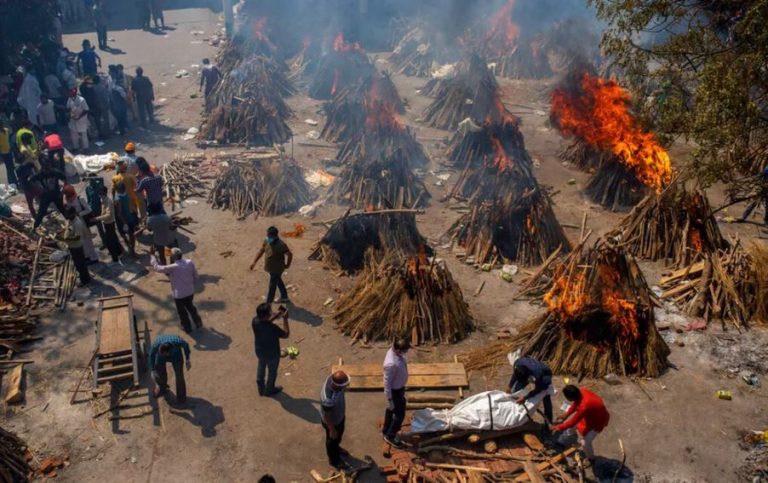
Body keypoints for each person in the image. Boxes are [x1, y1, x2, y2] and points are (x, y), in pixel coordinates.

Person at [550, 385, 610, 460]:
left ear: (570, 398)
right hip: (589, 415)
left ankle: (591, 458)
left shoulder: (584, 406)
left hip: (598, 421)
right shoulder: (581, 392)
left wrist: (558, 427)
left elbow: (572, 422)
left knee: (585, 443)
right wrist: (566, 415)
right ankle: (566, 439)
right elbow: (575, 404)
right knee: (571, 427)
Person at [150, 248, 203, 332]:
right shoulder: (189, 262)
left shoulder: (172, 267)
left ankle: (187, 327)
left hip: (179, 295)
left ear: (173, 257)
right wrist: (190, 284)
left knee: (182, 312)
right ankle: (198, 322)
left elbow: (157, 268)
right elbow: (196, 276)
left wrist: (152, 256)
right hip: (190, 292)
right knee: (191, 307)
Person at [251, 303, 289, 396]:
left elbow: (265, 322)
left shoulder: (255, 321)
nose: (272, 313)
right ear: (266, 316)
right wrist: (285, 320)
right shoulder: (273, 328)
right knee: (272, 372)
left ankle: (260, 386)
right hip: (272, 355)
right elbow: (286, 334)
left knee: (261, 365)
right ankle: (270, 389)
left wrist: (276, 316)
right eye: (270, 313)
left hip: (260, 351)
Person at [249, 226, 293, 304]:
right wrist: (254, 262)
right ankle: (284, 297)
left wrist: (288, 265)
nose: (268, 238)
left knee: (272, 286)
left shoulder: (281, 245)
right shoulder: (266, 240)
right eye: (268, 236)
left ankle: (268, 305)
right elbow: (261, 251)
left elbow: (290, 254)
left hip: (277, 269)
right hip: (270, 268)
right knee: (278, 280)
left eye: (270, 236)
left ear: (276, 236)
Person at [320, 370, 351, 470]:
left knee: (338, 437)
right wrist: (332, 429)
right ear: (338, 386)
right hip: (332, 422)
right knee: (332, 440)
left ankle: (337, 448)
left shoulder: (332, 379)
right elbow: (327, 416)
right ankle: (334, 460)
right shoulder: (328, 399)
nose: (347, 386)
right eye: (345, 385)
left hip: (339, 416)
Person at [508, 356, 554, 423]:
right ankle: (518, 413)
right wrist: (509, 386)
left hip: (545, 375)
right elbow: (515, 374)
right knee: (517, 390)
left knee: (546, 397)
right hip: (530, 372)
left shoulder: (538, 375)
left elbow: (538, 389)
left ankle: (548, 422)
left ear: (528, 375)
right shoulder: (518, 364)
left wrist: (525, 397)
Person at [382, 339, 410, 448]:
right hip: (395, 392)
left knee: (392, 409)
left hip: (399, 388)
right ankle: (390, 436)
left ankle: (386, 429)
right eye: (404, 351)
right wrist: (389, 399)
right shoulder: (391, 364)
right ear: (398, 350)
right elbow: (387, 383)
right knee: (400, 415)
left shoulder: (395, 353)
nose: (406, 353)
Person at [148, 334, 191, 403]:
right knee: (159, 371)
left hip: (176, 357)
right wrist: (152, 369)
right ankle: (162, 388)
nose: (165, 356)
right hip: (160, 357)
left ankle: (181, 398)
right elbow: (151, 355)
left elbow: (186, 345)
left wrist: (187, 359)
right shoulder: (157, 345)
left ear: (169, 351)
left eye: (165, 354)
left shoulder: (178, 342)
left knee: (179, 376)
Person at [63, 184, 99, 264]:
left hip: (83, 222)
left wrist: (79, 214)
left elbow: (89, 210)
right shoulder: (67, 200)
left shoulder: (80, 199)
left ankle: (93, 257)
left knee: (87, 240)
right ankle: (86, 256)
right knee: (81, 241)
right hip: (75, 222)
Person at [59, 207, 91, 286]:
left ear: (73, 213)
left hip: (77, 247)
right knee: (78, 264)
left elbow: (77, 237)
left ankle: (85, 280)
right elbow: (68, 229)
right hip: (72, 246)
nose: (67, 215)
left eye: (68, 214)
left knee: (80, 264)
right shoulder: (70, 220)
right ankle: (85, 277)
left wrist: (64, 239)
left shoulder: (77, 223)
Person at [93, 186, 124, 263]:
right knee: (113, 239)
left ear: (103, 194)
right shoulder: (103, 200)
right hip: (106, 223)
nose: (99, 195)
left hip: (110, 223)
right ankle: (119, 252)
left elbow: (108, 215)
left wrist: (97, 218)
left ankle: (115, 257)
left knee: (110, 242)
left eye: (100, 194)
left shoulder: (108, 201)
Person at [30, 162, 65, 229]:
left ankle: (72, 223)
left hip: (56, 194)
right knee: (41, 212)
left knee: (62, 209)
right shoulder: (40, 174)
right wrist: (39, 189)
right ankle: (35, 227)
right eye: (46, 169)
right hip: (46, 196)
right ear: (43, 169)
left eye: (48, 169)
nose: (48, 171)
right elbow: (31, 180)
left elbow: (65, 179)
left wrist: (62, 191)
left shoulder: (55, 172)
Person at [114, 182, 138, 256]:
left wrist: (124, 222)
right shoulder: (126, 195)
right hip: (128, 217)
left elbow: (119, 213)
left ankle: (131, 249)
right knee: (131, 235)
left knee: (126, 234)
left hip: (123, 220)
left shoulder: (118, 198)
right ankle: (132, 249)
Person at [66, 88, 90, 152]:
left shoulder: (82, 100)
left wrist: (79, 117)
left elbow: (86, 110)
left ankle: (86, 148)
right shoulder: (69, 99)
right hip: (73, 119)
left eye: (71, 93)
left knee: (83, 134)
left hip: (81, 119)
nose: (70, 94)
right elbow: (68, 108)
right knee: (73, 134)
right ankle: (75, 147)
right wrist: (69, 114)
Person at [0, 121, 15, 185]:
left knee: (11, 166)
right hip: (3, 152)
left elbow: (9, 138)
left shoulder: (6, 130)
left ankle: (13, 180)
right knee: (9, 168)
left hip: (9, 150)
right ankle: (11, 181)